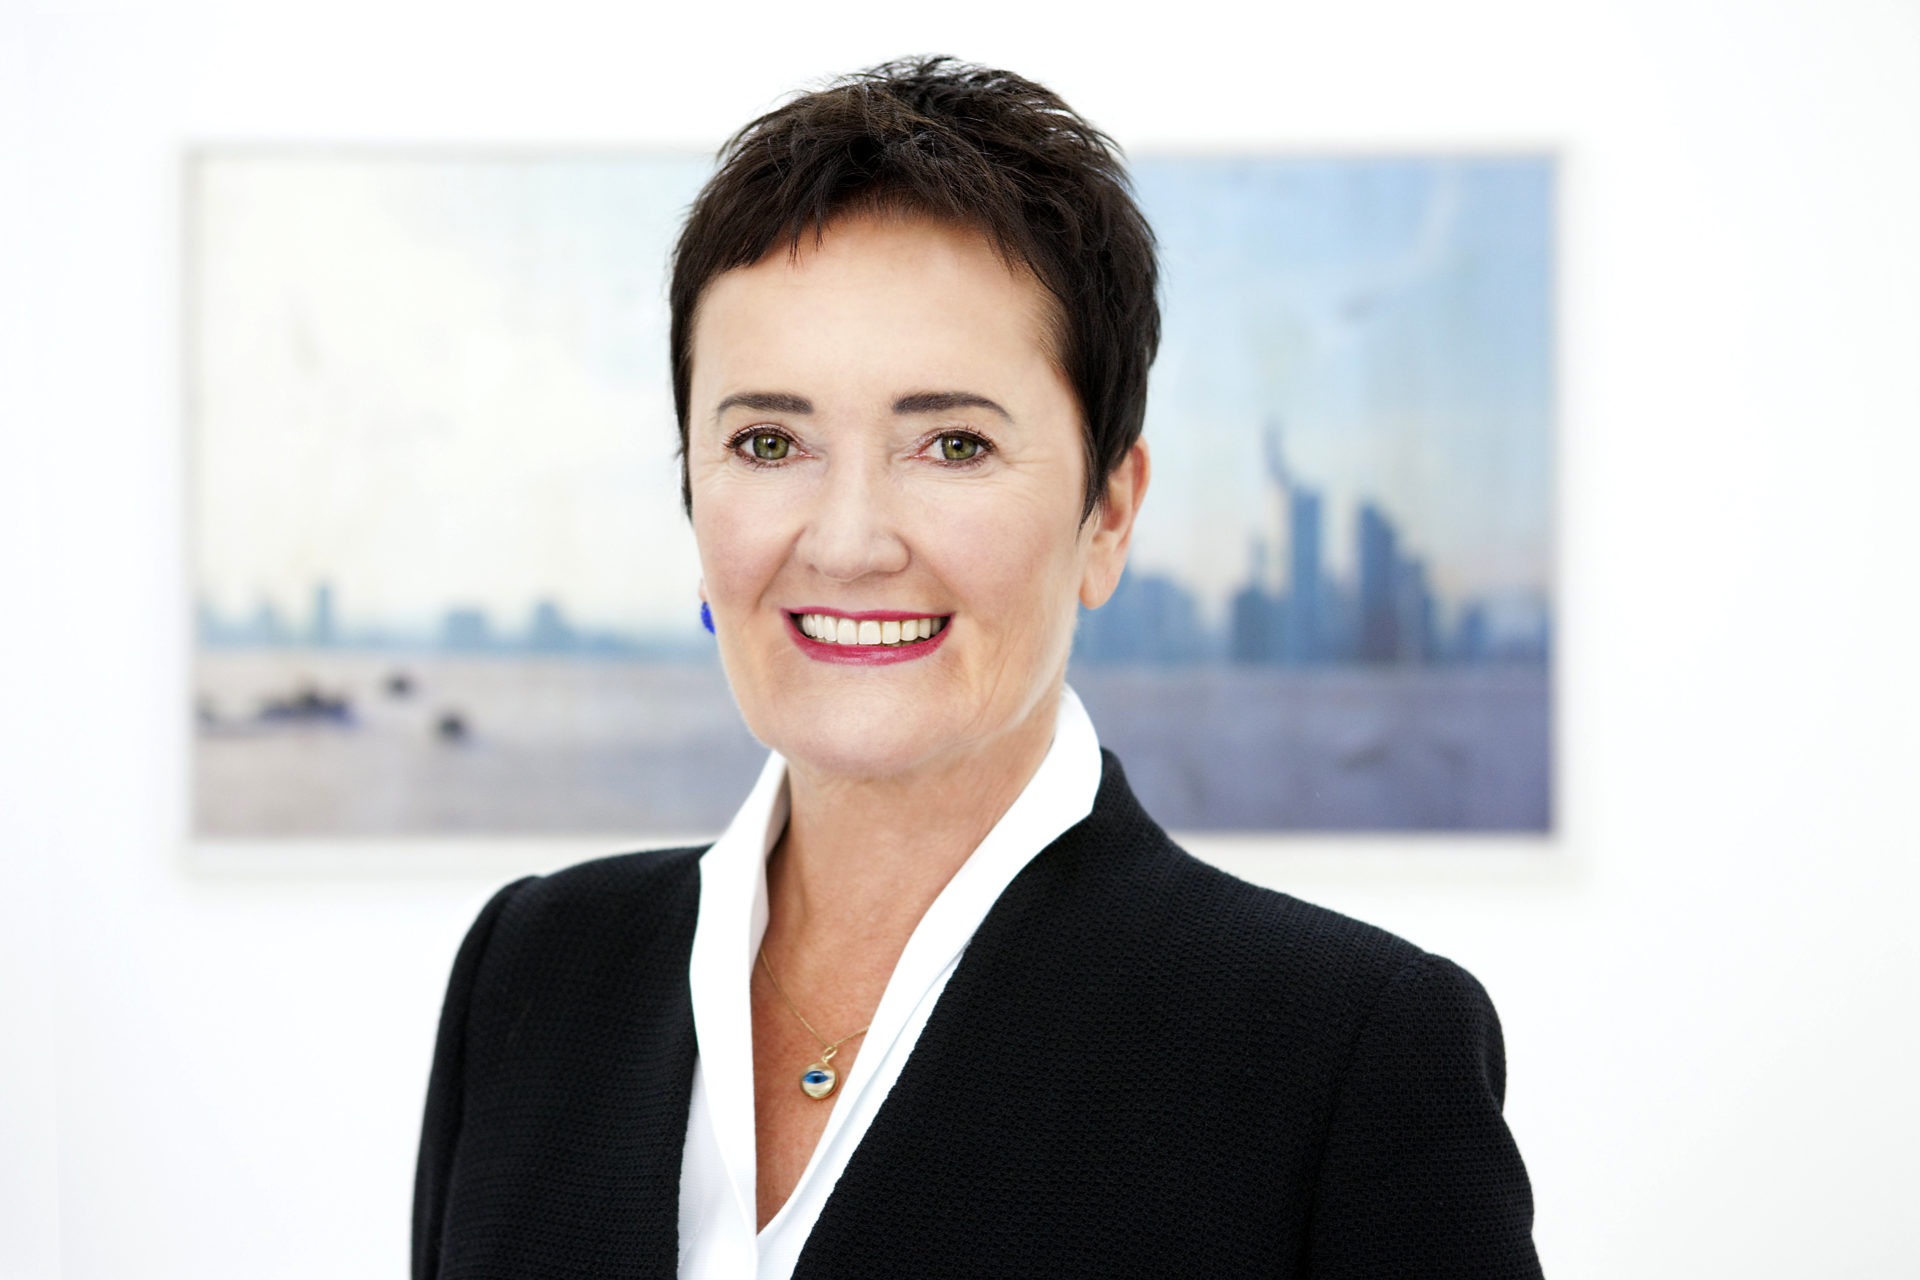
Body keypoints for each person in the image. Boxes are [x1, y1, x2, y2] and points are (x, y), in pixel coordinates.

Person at [413, 57, 1543, 1280]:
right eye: (769, 442)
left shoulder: (1342, 1057)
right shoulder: (533, 974)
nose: (848, 542)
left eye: (952, 443)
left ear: (1108, 513)